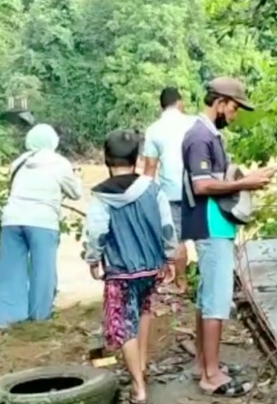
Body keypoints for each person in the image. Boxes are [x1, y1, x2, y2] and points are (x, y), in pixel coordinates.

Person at [181, 77, 276, 397]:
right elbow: (202, 185)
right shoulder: (199, 137)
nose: (235, 114)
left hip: (217, 225)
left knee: (207, 297)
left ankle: (204, 363)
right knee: (217, 301)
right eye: (234, 108)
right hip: (211, 226)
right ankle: (210, 376)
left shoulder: (212, 136)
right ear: (219, 102)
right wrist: (246, 183)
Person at [83, 129, 177, 404]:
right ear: (136, 159)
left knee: (125, 326)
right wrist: (169, 258)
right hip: (150, 268)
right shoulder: (152, 188)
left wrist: (93, 258)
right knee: (143, 312)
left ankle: (138, 387)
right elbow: (167, 226)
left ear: (106, 159)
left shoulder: (101, 196)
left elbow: (96, 233)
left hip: (121, 271)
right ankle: (143, 366)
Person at [0, 123, 83, 329]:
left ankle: (5, 318)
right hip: (42, 221)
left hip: (13, 219)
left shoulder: (18, 162)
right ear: (53, 142)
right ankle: (40, 317)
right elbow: (76, 193)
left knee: (10, 268)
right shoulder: (60, 163)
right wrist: (77, 176)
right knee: (43, 269)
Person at [142, 87, 194, 293]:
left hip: (171, 192)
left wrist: (145, 198)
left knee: (178, 240)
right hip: (199, 189)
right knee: (204, 238)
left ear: (161, 106)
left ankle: (180, 283)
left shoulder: (154, 130)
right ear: (180, 103)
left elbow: (150, 169)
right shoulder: (193, 123)